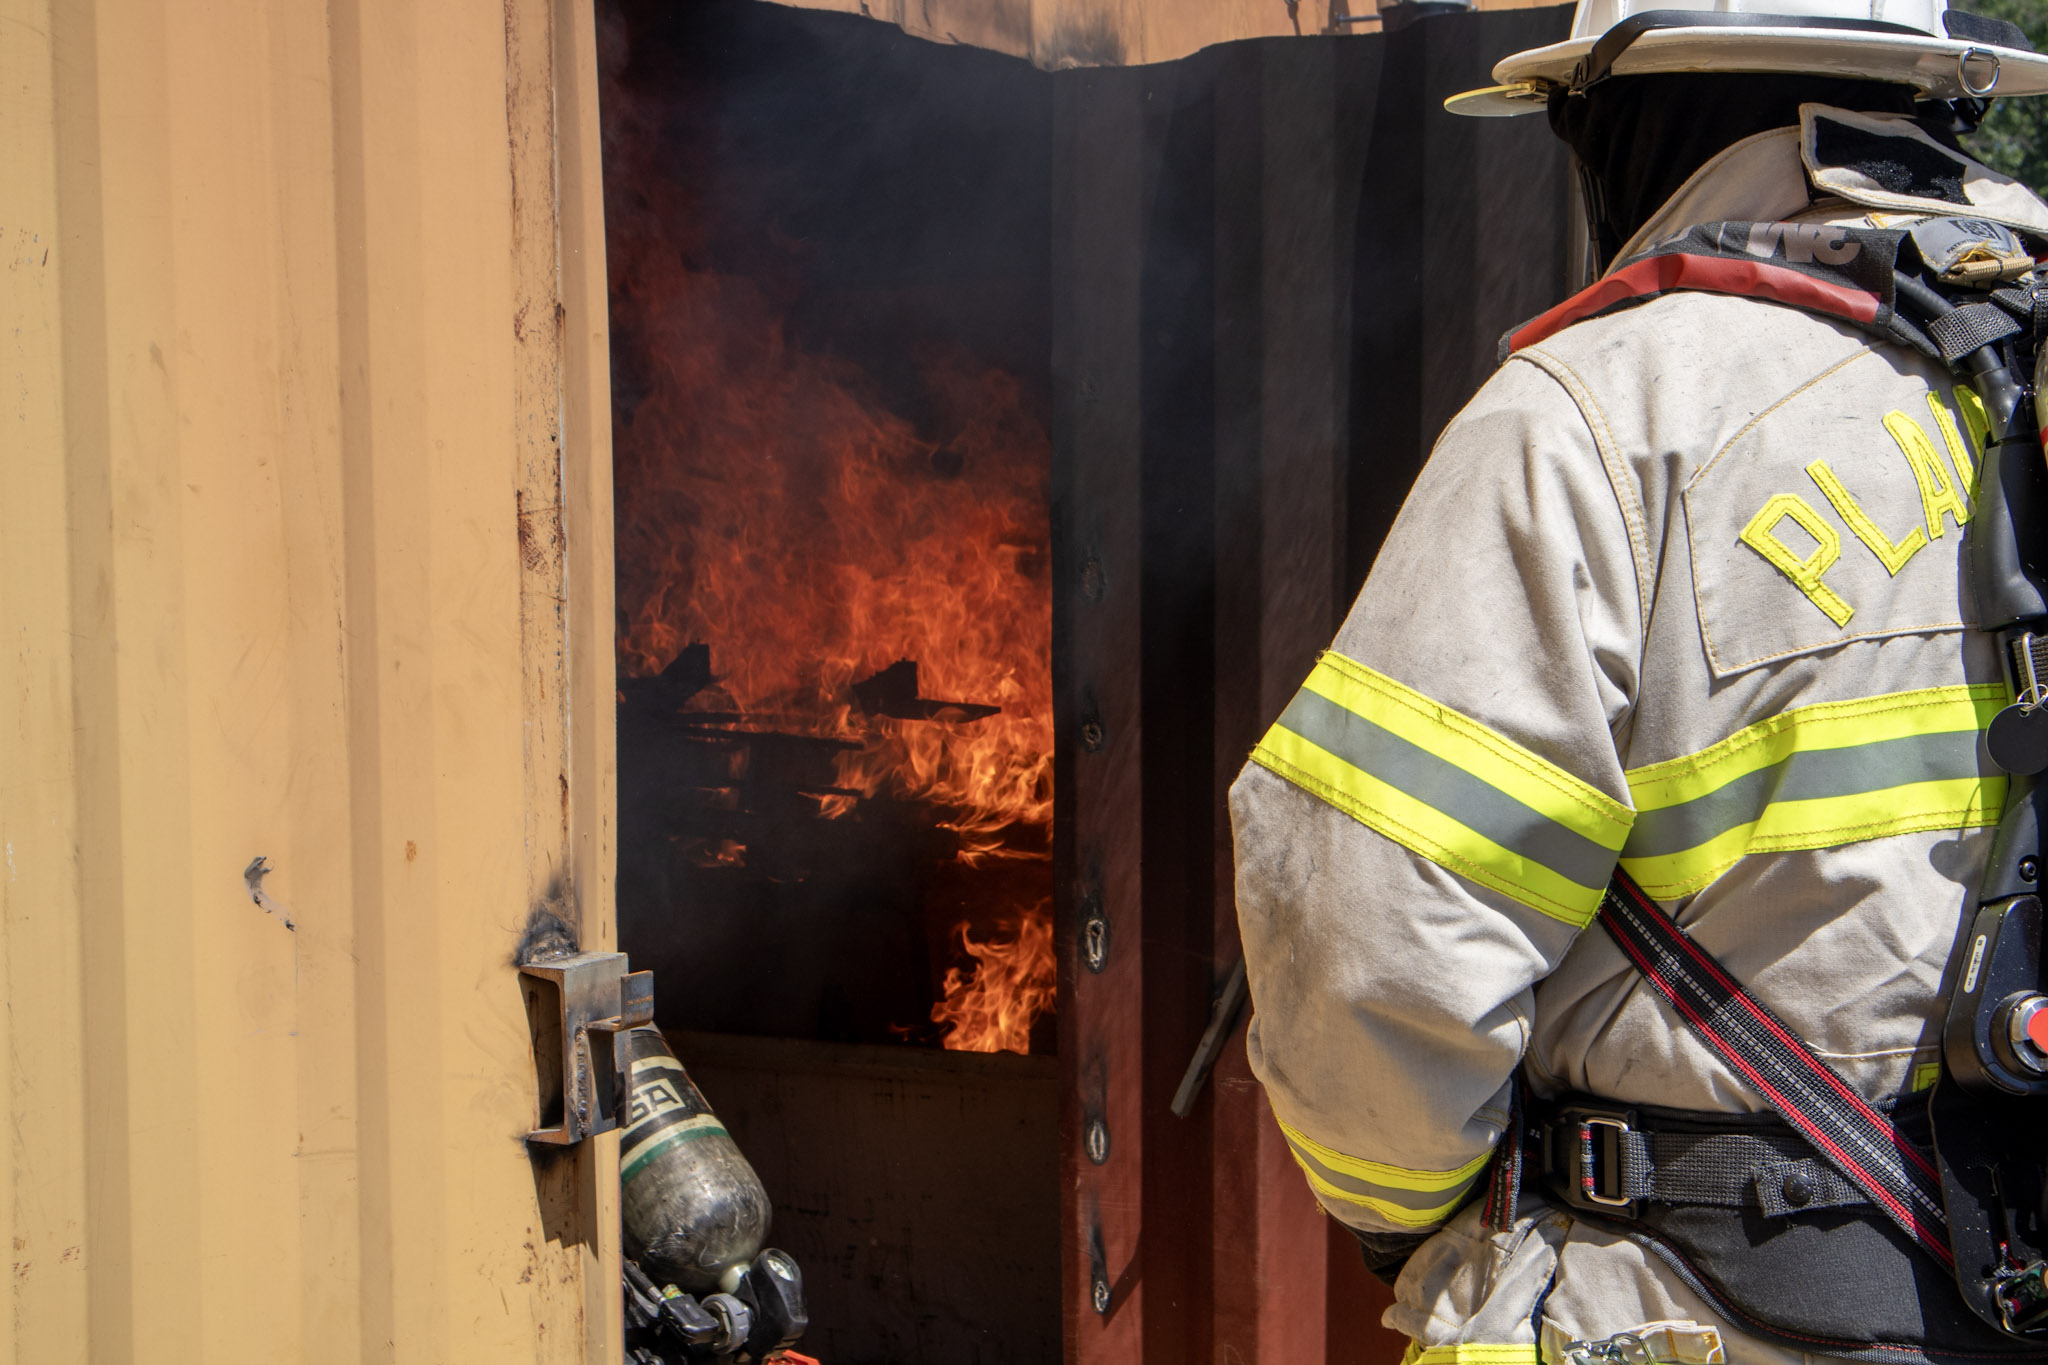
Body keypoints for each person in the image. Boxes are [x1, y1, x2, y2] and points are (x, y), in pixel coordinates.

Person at [1231, 1, 2048, 1360]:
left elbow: (1367, 923)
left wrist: (1409, 1211)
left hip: (1706, 1302)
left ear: (1638, 115)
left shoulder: (1608, 410)